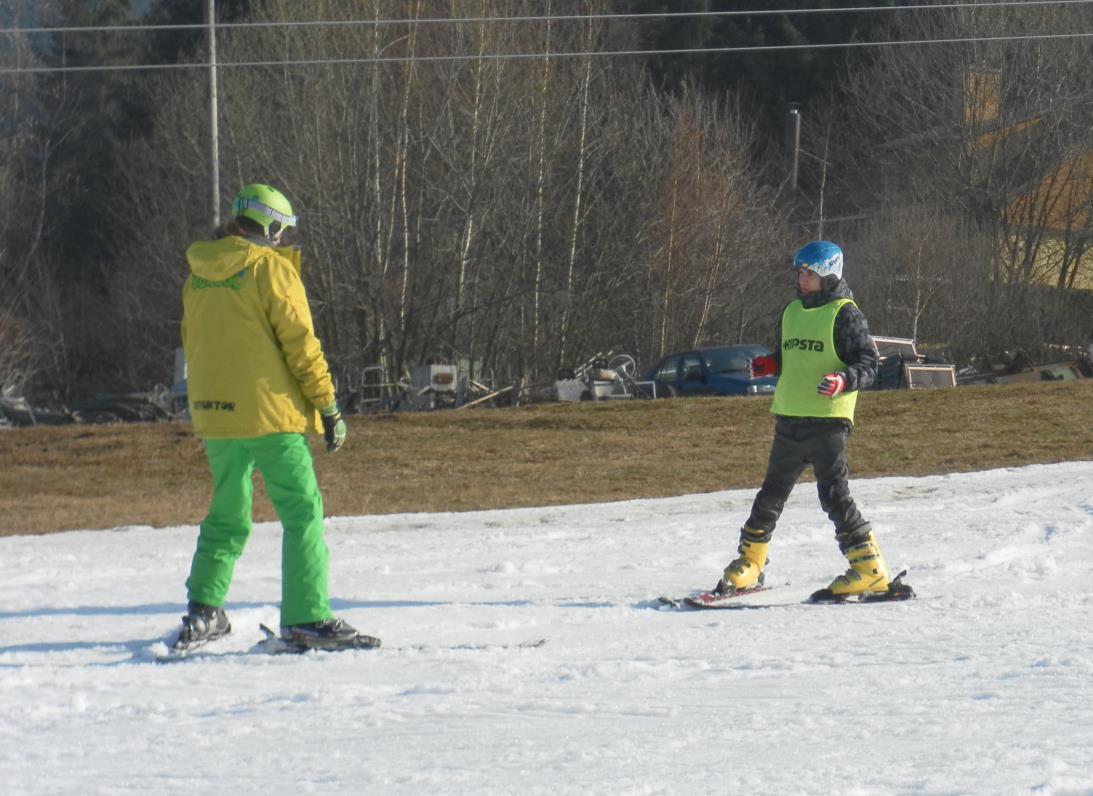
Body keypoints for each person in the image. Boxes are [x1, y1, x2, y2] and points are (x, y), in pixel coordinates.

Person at [174, 182, 369, 650]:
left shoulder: (198, 275)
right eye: (281, 229)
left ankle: (204, 611)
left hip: (216, 418)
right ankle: (307, 616)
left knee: (228, 513)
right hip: (271, 415)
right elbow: (303, 346)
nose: (282, 240)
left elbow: (191, 341)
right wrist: (328, 406)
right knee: (303, 511)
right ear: (269, 224)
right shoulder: (270, 271)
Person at [715, 240, 910, 603]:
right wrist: (769, 365)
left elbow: (869, 364)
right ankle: (750, 563)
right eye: (800, 272)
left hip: (828, 421)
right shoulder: (791, 311)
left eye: (810, 273)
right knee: (770, 494)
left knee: (834, 496)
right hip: (790, 414)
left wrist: (842, 381)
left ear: (830, 275)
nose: (801, 279)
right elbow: (790, 355)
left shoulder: (846, 314)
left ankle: (870, 568)